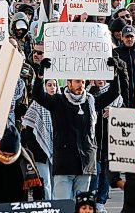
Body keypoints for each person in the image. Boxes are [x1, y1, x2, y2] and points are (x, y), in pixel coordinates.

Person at [33, 57, 122, 200]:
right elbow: (38, 95)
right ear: (68, 83)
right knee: (64, 205)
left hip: (85, 162)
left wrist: (115, 73)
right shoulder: (58, 101)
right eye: (77, 81)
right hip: (64, 164)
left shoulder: (91, 101)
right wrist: (40, 75)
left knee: (81, 206)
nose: (81, 85)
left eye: (83, 81)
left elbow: (114, 93)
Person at [89, 80, 123, 213]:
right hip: (93, 140)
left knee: (105, 173)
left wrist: (114, 112)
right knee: (95, 172)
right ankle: (91, 200)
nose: (100, 80)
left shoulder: (115, 94)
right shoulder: (88, 92)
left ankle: (101, 202)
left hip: (110, 139)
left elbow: (125, 113)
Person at [22, 79, 58, 200]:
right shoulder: (36, 105)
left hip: (58, 150)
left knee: (56, 182)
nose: (52, 88)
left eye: (54, 85)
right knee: (45, 182)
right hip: (39, 151)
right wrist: (34, 149)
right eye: (49, 85)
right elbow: (28, 131)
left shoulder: (61, 103)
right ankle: (48, 205)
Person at [113, 25, 135, 108]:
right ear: (122, 37)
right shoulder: (115, 53)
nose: (129, 39)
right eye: (127, 36)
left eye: (131, 36)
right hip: (121, 96)